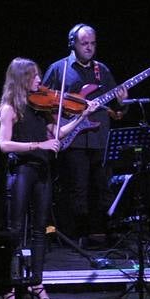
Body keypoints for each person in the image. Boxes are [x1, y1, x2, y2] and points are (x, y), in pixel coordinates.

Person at [0, 57, 75, 299]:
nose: (40, 80)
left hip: (42, 171)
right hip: (21, 171)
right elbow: (4, 144)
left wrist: (82, 117)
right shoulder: (10, 108)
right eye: (34, 76)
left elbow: (58, 133)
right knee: (15, 230)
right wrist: (39, 145)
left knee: (40, 230)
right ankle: (9, 286)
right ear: (22, 78)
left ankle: (37, 282)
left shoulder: (41, 107)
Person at [41, 23, 118, 245]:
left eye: (93, 43)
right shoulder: (59, 68)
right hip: (73, 139)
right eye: (84, 43)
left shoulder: (102, 70)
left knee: (103, 188)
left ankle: (101, 233)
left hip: (100, 139)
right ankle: (76, 236)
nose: (89, 47)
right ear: (72, 44)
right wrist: (55, 127)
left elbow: (116, 109)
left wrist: (122, 102)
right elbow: (42, 101)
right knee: (77, 189)